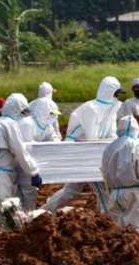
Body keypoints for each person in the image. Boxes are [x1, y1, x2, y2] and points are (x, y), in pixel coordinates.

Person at [42, 77, 126, 214]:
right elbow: (91, 139)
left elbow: (111, 136)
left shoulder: (111, 110)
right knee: (100, 185)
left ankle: (45, 212)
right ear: (109, 93)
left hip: (92, 151)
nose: (117, 97)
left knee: (72, 190)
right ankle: (110, 218)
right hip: (78, 151)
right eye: (116, 93)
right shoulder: (92, 109)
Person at [0, 94, 41, 237]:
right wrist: (33, 172)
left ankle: (9, 242)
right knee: (0, 212)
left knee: (3, 211)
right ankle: (12, 243)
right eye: (23, 112)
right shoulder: (8, 124)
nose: (24, 116)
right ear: (16, 110)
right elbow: (19, 150)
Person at [101, 116, 139, 235]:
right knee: (136, 232)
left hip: (115, 193)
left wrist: (110, 190)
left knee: (116, 233)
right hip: (133, 193)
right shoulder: (137, 146)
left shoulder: (109, 147)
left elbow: (104, 172)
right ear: (135, 129)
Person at [17, 97, 62, 210]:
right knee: (24, 196)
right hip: (21, 165)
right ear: (43, 111)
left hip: (31, 166)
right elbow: (25, 148)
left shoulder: (46, 126)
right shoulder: (27, 123)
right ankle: (21, 224)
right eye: (51, 114)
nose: (53, 117)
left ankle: (23, 221)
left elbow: (55, 139)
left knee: (29, 196)